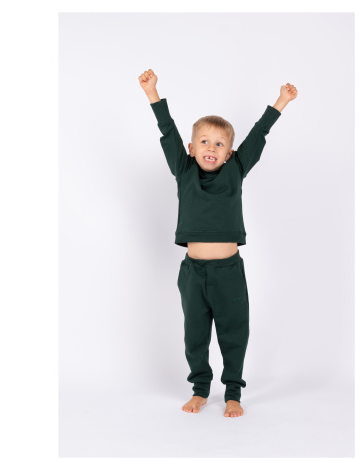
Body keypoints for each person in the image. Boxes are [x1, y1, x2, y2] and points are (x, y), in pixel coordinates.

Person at [139, 68, 298, 418]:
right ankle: (200, 389)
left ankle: (233, 393)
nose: (211, 148)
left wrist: (281, 101)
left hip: (228, 272)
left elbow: (259, 133)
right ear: (191, 148)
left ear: (229, 153)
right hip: (193, 274)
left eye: (220, 144)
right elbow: (168, 131)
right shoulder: (183, 170)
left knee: (233, 332)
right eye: (204, 142)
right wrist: (152, 93)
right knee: (194, 335)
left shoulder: (236, 169)